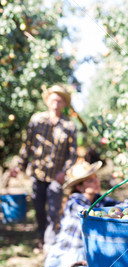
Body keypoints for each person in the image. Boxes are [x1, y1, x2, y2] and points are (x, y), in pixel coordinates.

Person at [43, 160, 128, 267]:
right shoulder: (75, 201)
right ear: (79, 187)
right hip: (64, 258)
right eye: (90, 180)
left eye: (96, 178)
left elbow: (120, 210)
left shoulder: (98, 200)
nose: (96, 181)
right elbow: (93, 215)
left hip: (81, 255)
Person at [9, 84, 78, 250]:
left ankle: (49, 242)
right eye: (54, 99)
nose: (56, 103)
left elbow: (73, 154)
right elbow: (27, 146)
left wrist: (64, 172)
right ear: (47, 101)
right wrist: (19, 165)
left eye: (60, 100)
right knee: (39, 209)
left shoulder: (69, 126)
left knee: (53, 211)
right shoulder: (37, 120)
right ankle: (42, 236)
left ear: (64, 104)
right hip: (38, 173)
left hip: (56, 176)